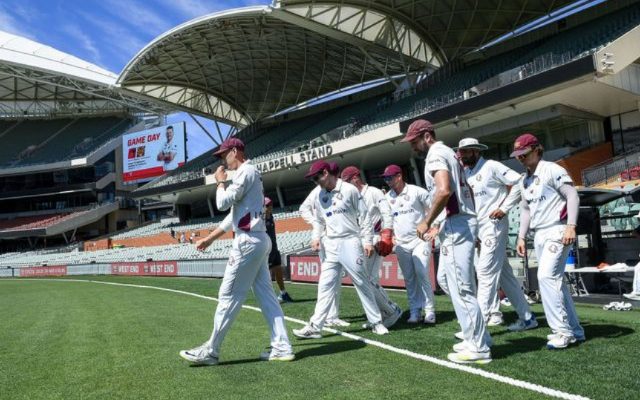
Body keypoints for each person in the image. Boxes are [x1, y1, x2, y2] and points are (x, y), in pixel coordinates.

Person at [179, 137, 294, 365]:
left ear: (235, 151)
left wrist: (220, 182)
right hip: (256, 239)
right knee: (267, 297)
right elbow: (233, 215)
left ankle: (211, 350)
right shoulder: (250, 173)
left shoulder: (245, 171)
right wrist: (210, 239)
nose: (223, 160)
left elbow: (222, 203)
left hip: (248, 242)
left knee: (228, 294)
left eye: (224, 154)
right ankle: (282, 347)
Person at [402, 119, 492, 364]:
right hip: (458, 221)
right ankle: (476, 337)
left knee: (462, 287)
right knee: (454, 283)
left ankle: (479, 347)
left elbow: (444, 190)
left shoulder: (436, 153)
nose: (413, 147)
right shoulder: (448, 153)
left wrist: (427, 221)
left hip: (457, 224)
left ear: (427, 136)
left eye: (414, 141)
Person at [293, 161, 402, 339]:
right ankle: (315, 326)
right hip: (331, 244)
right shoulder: (320, 195)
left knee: (361, 282)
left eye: (316, 177)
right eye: (313, 179)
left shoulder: (349, 190)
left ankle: (376, 322)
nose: (315, 181)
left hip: (350, 241)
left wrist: (367, 241)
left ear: (326, 173)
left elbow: (364, 216)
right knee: (325, 285)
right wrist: (315, 237)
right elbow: (320, 221)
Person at [456, 137, 538, 332]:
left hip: (495, 225)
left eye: (467, 151)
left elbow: (519, 182)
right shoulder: (467, 173)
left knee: (484, 272)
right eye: (461, 152)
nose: (463, 155)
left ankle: (478, 325)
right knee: (505, 276)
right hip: (480, 228)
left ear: (476, 151)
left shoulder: (491, 166)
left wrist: (504, 207)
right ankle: (527, 318)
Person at [513, 133, 585, 349]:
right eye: (517, 155)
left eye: (524, 154)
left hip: (558, 229)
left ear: (536, 149)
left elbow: (572, 195)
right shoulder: (523, 180)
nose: (520, 158)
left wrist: (571, 226)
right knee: (556, 283)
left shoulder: (552, 169)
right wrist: (521, 236)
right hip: (539, 234)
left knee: (545, 277)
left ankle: (562, 332)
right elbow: (525, 210)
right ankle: (576, 330)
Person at [382, 164, 437, 324]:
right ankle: (415, 311)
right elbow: (387, 220)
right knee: (409, 278)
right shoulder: (387, 198)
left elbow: (434, 208)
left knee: (421, 272)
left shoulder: (416, 192)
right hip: (401, 243)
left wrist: (434, 227)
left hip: (420, 240)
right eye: (385, 178)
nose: (387, 181)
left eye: (390, 177)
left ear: (399, 176)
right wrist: (390, 236)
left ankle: (430, 311)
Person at [299, 162, 350, 327]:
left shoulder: (328, 189)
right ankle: (330, 316)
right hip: (326, 238)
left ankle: (331, 315)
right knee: (330, 280)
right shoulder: (318, 191)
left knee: (333, 279)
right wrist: (316, 224)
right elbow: (303, 209)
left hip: (332, 237)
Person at [264, 196, 294, 303]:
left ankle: (283, 293)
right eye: (267, 205)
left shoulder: (270, 216)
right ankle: (268, 297)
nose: (270, 207)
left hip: (274, 248)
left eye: (270, 204)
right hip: (266, 250)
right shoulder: (259, 220)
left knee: (278, 270)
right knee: (266, 274)